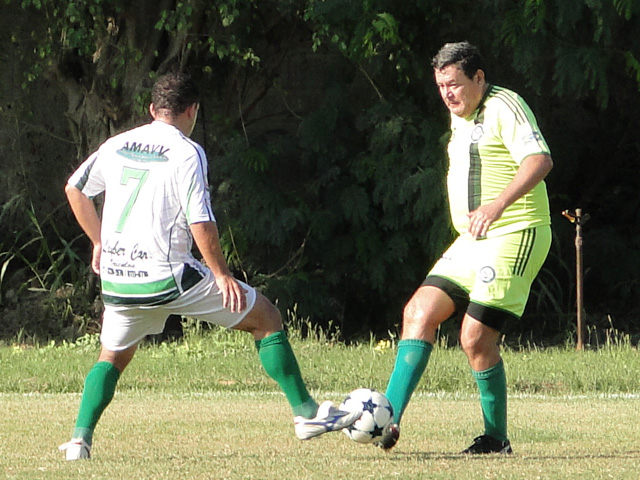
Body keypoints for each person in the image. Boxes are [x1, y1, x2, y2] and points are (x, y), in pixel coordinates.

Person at [59, 72, 360, 461]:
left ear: (152, 109)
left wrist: (99, 241)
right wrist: (221, 274)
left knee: (112, 357)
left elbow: (74, 188)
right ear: (192, 110)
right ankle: (305, 413)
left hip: (119, 279)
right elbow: (199, 219)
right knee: (266, 318)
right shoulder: (187, 152)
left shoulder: (116, 144)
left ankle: (79, 441)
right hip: (169, 275)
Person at [376, 42, 553, 454]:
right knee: (418, 312)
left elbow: (540, 160)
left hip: (516, 231)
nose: (447, 94)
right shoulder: (461, 114)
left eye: (454, 84)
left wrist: (497, 205)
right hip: (474, 240)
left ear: (479, 78)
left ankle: (496, 439)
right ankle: (387, 418)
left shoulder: (505, 105)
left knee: (474, 338)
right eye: (441, 86)